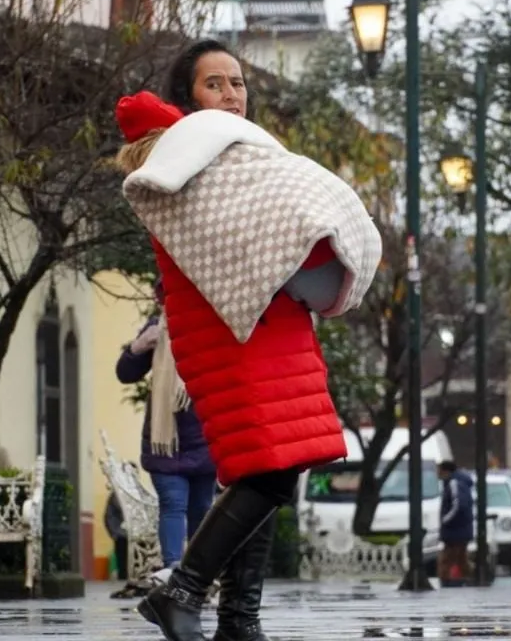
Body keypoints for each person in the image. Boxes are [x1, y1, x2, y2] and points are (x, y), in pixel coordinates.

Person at [113, 40, 382, 641]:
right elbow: (257, 239)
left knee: (269, 468)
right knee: (268, 470)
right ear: (189, 99)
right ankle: (181, 591)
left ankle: (239, 618)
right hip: (232, 328)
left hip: (267, 323)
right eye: (216, 84)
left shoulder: (224, 156)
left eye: (237, 82)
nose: (233, 95)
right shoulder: (186, 159)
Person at [115, 280, 217, 578]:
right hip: (165, 441)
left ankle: (198, 574)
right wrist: (137, 347)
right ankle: (173, 569)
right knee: (173, 503)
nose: (168, 303)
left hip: (204, 439)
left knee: (201, 508)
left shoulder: (211, 331)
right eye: (165, 298)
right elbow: (125, 373)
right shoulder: (157, 330)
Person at [437, 460, 476, 587]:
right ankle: (470, 578)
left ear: (445, 471)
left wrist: (445, 520)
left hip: (455, 530)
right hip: (461, 529)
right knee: (461, 558)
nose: (437, 473)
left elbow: (458, 505)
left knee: (447, 558)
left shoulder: (454, 483)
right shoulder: (459, 483)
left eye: (439, 470)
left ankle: (446, 580)